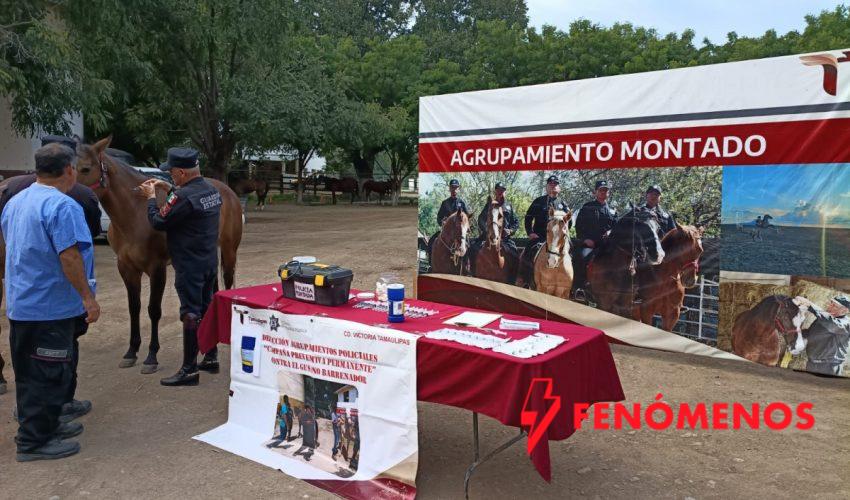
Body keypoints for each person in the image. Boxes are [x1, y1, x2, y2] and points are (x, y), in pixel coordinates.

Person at [2, 143, 100, 462]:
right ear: (69, 170)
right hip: (50, 307)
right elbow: (69, 256)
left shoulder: (16, 201)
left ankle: (47, 425)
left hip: (23, 303)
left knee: (33, 372)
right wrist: (88, 297)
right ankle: (33, 442)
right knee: (47, 373)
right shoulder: (62, 205)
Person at [138, 147, 222, 386]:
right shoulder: (211, 190)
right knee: (206, 308)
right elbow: (192, 204)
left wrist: (151, 198)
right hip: (208, 261)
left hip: (188, 263)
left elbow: (159, 221)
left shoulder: (182, 197)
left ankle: (189, 369)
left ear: (182, 172)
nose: (170, 176)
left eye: (172, 173)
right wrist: (171, 189)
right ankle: (211, 356)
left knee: (190, 313)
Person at [520, 175, 570, 285]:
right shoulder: (538, 201)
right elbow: (528, 217)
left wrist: (564, 235)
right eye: (550, 184)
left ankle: (574, 286)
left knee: (572, 255)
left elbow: (569, 222)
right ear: (546, 187)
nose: (553, 186)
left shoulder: (564, 204)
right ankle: (526, 281)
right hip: (540, 237)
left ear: (559, 188)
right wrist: (530, 232)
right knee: (528, 251)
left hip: (558, 240)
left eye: (555, 184)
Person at [573, 180, 617, 299]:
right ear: (595, 192)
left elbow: (617, 228)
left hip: (607, 246)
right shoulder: (587, 207)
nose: (603, 192)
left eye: (606, 190)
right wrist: (585, 240)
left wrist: (611, 232)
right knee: (581, 258)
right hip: (589, 245)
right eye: (601, 190)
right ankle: (579, 288)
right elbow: (578, 226)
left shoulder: (613, 210)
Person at [470, 182, 520, 278]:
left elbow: (516, 222)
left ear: (505, 192)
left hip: (505, 238)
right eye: (499, 190)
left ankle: (512, 280)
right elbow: (481, 219)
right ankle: (473, 274)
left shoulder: (509, 206)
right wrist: (487, 231)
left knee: (515, 254)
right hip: (488, 236)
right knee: (473, 248)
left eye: (503, 190)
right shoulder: (490, 205)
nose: (501, 192)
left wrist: (510, 231)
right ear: (495, 191)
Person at [793, 296, 850, 376]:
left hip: (829, 367)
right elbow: (811, 333)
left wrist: (809, 305)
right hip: (812, 364)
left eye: (835, 306)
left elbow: (831, 323)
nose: (830, 306)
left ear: (844, 310)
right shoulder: (822, 320)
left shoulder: (846, 323)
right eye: (831, 304)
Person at [428, 179, 469, 255]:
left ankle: (468, 265)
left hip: (459, 231)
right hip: (446, 231)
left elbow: (467, 217)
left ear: (458, 189)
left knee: (470, 245)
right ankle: (431, 265)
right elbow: (439, 218)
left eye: (456, 188)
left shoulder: (462, 203)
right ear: (449, 189)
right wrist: (442, 222)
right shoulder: (445, 203)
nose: (454, 190)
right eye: (452, 187)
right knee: (431, 241)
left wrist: (465, 226)